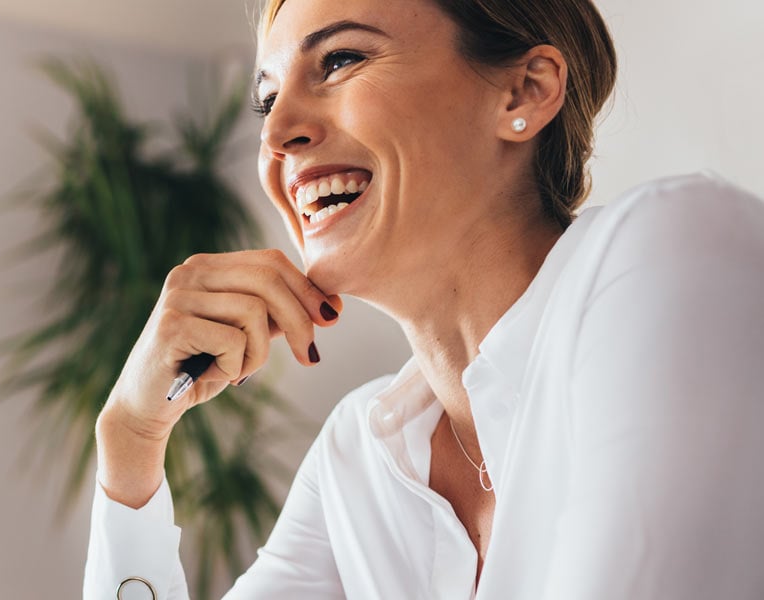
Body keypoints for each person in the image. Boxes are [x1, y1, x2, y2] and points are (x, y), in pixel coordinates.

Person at [83, 0, 764, 598]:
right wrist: (129, 440)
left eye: (341, 59)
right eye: (266, 99)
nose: (275, 132)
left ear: (524, 93)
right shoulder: (360, 454)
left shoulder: (674, 245)